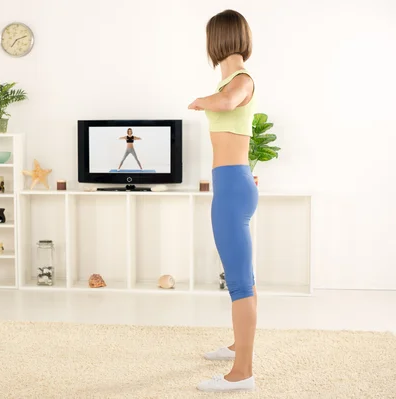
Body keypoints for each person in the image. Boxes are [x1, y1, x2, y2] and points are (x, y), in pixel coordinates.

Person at [188, 9, 258, 393]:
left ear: (216, 40)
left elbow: (229, 102)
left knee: (239, 283)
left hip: (232, 186)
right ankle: (238, 347)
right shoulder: (232, 78)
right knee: (241, 276)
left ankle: (242, 373)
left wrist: (202, 99)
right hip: (230, 183)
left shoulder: (241, 80)